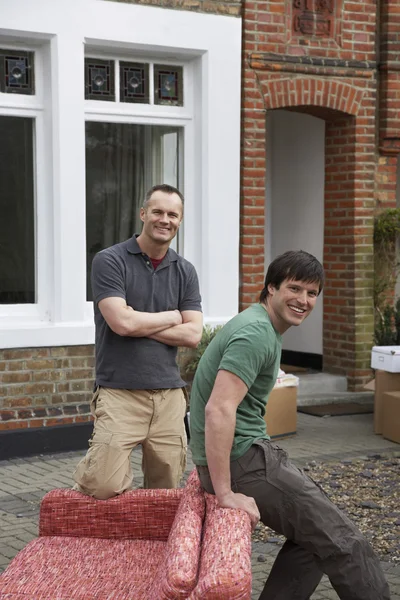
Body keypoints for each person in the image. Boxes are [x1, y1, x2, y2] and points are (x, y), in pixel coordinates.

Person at [189, 250, 390, 600]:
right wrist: (224, 494)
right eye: (294, 289)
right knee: (347, 543)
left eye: (312, 293)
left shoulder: (261, 325)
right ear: (271, 288)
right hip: (244, 461)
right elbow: (218, 410)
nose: (303, 300)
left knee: (313, 540)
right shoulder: (256, 333)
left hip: (247, 456)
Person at [74, 184, 203, 499]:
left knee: (166, 490)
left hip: (169, 397)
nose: (165, 219)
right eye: (157, 211)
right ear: (143, 214)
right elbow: (120, 322)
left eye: (173, 214)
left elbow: (193, 334)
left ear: (180, 220)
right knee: (102, 485)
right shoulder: (110, 260)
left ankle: (150, 544)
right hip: (120, 394)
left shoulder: (185, 271)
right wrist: (172, 316)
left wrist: (136, 322)